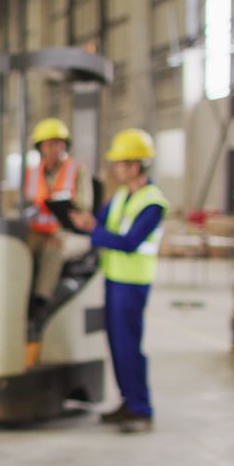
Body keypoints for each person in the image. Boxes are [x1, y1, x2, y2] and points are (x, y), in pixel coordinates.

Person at [71, 128, 168, 434]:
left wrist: (94, 232)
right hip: (114, 280)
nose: (115, 169)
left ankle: (141, 409)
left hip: (133, 284)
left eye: (120, 163)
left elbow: (129, 242)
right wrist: (86, 222)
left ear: (136, 165)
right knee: (116, 345)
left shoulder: (153, 203)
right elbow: (102, 222)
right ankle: (127, 402)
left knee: (129, 347)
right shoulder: (123, 196)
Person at [25, 118, 93, 321]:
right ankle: (21, 296)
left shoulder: (76, 170)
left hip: (67, 231)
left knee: (53, 249)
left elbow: (84, 205)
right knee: (20, 248)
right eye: (49, 144)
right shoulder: (32, 173)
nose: (54, 148)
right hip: (37, 230)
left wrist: (62, 205)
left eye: (59, 143)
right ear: (40, 147)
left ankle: (40, 301)